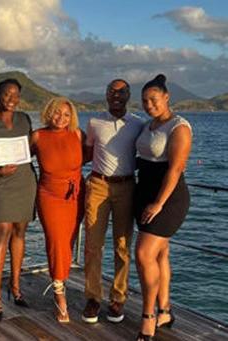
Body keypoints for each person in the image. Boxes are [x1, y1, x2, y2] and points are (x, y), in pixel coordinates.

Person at [82, 79, 145, 324]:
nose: (116, 95)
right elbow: (87, 153)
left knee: (122, 245)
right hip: (98, 185)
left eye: (122, 92)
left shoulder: (139, 124)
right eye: (112, 91)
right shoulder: (94, 122)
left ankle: (118, 297)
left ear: (129, 95)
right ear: (106, 95)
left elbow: (150, 150)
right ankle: (93, 297)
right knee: (92, 244)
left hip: (127, 186)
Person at [134, 74, 192, 341]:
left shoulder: (179, 127)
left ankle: (148, 317)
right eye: (145, 101)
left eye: (153, 99)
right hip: (143, 193)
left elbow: (176, 168)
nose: (149, 105)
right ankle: (165, 310)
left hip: (167, 199)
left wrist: (158, 203)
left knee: (144, 254)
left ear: (167, 97)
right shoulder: (147, 125)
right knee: (160, 255)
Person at [0, 78, 37, 321]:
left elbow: (31, 148)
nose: (12, 99)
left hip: (25, 180)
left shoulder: (24, 119)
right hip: (1, 183)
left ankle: (15, 287)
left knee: (20, 232)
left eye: (16, 95)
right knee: (2, 231)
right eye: (7, 94)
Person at [31, 97, 84, 323]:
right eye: (56, 113)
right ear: (47, 113)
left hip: (76, 195)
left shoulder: (78, 135)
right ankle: (59, 294)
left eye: (66, 114)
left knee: (68, 243)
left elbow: (94, 157)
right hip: (49, 196)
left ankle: (61, 280)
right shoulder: (38, 136)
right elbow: (20, 159)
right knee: (56, 242)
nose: (61, 118)